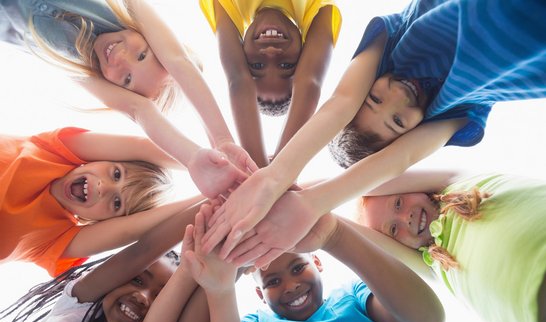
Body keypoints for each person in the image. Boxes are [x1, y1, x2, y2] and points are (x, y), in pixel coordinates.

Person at [199, 0, 546, 266]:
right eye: (397, 122)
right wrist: (310, 205)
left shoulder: (395, 39)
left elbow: (341, 101)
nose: (395, 96)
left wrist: (274, 177)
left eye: (374, 98)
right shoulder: (458, 109)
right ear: (413, 132)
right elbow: (402, 158)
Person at [0, 0, 255, 198]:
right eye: (142, 55)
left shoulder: (78, 65)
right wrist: (222, 140)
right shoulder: (123, 11)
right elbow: (179, 61)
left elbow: (139, 109)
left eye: (127, 80)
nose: (121, 59)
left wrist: (192, 158)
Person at [169, 203, 445, 322]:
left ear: (318, 263)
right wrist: (220, 290)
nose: (290, 286)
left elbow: (427, 321)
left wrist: (335, 236)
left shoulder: (354, 298)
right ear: (259, 294)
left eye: (299, 267)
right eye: (273, 281)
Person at [356, 170, 546, 322]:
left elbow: (361, 182)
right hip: (534, 313)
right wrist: (326, 212)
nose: (406, 218)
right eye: (394, 229)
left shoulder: (454, 182)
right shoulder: (431, 263)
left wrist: (327, 195)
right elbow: (362, 239)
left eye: (398, 203)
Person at [0, 126, 204, 277]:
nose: (104, 187)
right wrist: (205, 164)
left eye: (117, 204)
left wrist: (211, 196)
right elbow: (141, 147)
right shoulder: (53, 151)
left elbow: (131, 230)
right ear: (104, 157)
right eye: (116, 174)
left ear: (107, 222)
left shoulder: (56, 239)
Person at [0, 200, 209, 322]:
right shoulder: (75, 308)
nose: (143, 297)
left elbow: (212, 279)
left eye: (162, 297)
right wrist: (219, 197)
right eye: (137, 280)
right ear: (114, 280)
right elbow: (142, 251)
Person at [199, 0, 341, 166]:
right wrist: (281, 170)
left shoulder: (231, 4)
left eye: (257, 66)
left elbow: (238, 79)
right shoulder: (314, 5)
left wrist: (258, 170)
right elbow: (310, 82)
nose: (271, 52)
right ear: (305, 52)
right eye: (286, 65)